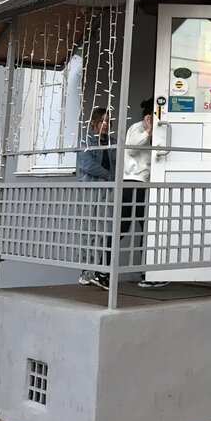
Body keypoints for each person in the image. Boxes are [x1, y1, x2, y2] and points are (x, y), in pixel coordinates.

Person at [122, 99, 168, 289]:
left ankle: (147, 272)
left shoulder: (159, 131)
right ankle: (103, 269)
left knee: (147, 228)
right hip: (133, 182)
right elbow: (132, 148)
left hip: (146, 183)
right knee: (124, 227)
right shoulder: (137, 128)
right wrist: (147, 131)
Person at [77, 107, 115, 289]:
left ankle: (99, 271)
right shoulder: (86, 140)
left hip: (108, 190)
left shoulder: (112, 142)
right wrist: (108, 175)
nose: (105, 125)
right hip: (91, 188)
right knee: (89, 230)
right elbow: (87, 165)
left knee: (103, 230)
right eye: (102, 121)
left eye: (108, 121)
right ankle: (86, 271)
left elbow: (118, 163)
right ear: (94, 122)